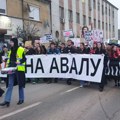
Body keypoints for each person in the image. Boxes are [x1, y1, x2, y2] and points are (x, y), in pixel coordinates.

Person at [0, 38, 26, 107]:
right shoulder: (11, 50)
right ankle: (7, 101)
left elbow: (24, 59)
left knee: (20, 85)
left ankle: (21, 99)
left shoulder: (21, 49)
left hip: (18, 69)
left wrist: (19, 62)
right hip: (11, 69)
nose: (10, 43)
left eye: (11, 42)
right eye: (10, 42)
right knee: (9, 85)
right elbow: (10, 59)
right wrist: (6, 61)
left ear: (15, 42)